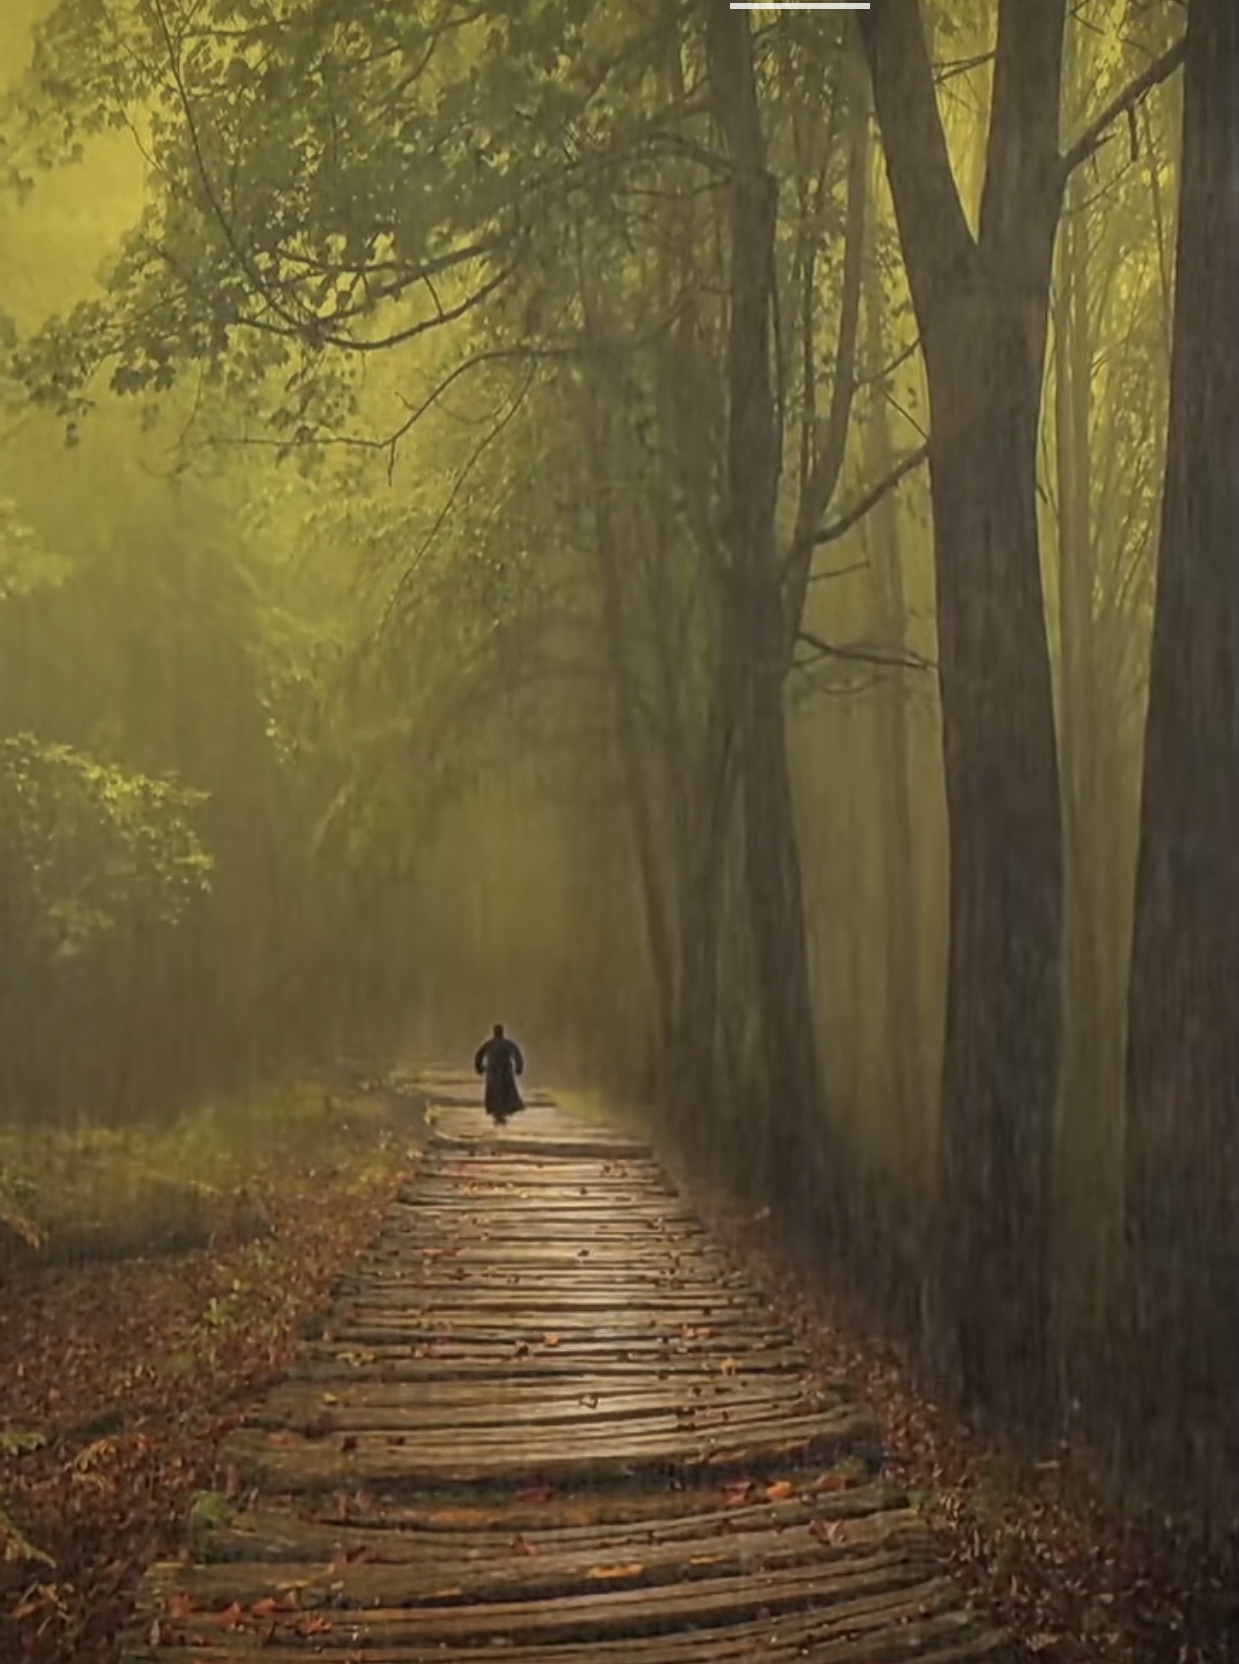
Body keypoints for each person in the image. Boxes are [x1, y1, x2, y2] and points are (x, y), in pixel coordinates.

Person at [473, 1023, 525, 1124]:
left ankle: (499, 1111)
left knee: (497, 1090)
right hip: (502, 1070)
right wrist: (519, 1067)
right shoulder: (506, 1044)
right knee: (501, 1090)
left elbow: (479, 1055)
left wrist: (479, 1067)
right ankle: (500, 1111)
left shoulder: (491, 1044)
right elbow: (517, 1054)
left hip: (496, 1071)